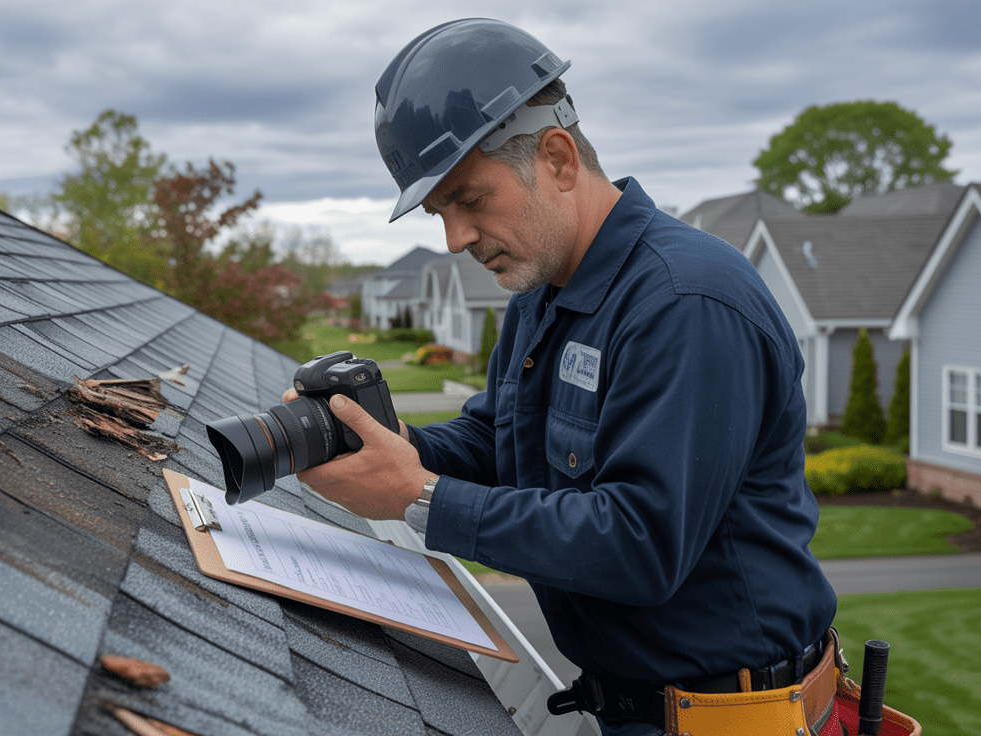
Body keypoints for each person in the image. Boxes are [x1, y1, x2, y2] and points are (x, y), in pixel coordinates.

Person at [287, 19, 839, 736]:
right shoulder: (545, 293)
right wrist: (386, 444)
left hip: (737, 718)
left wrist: (419, 497)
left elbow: (641, 545)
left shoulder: (686, 302)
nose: (454, 239)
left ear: (557, 157)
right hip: (640, 709)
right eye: (438, 212)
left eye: (469, 200)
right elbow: (498, 442)